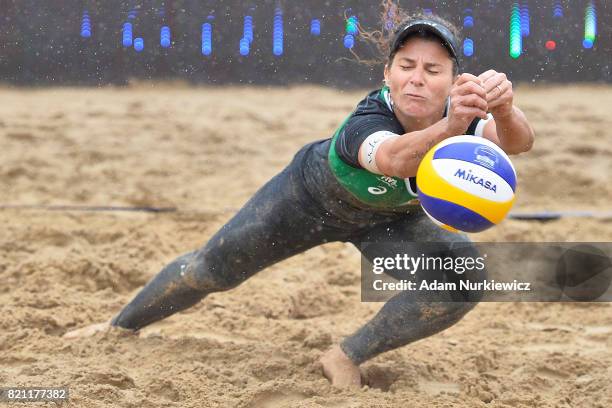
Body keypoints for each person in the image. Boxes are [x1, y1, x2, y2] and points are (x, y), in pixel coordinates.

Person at [64, 6, 535, 389]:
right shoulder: (369, 118)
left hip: (387, 221)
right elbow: (393, 160)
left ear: (454, 80)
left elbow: (517, 142)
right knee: (210, 270)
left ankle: (346, 355)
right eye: (406, 66)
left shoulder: (464, 114)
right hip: (308, 199)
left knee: (463, 281)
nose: (417, 78)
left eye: (432, 70)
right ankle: (119, 327)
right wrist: (451, 128)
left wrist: (507, 109)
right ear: (387, 72)